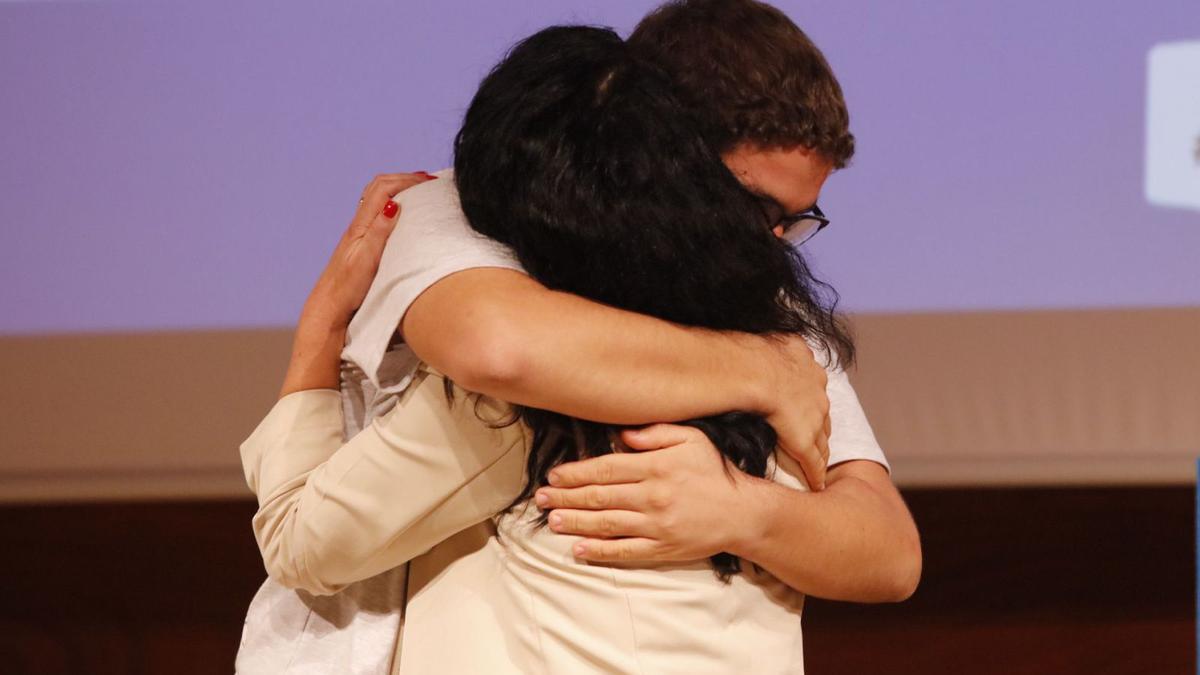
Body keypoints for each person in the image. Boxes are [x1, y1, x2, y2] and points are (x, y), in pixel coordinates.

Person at [237, 1, 920, 672]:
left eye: (797, 220)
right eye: (758, 206)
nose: (771, 243)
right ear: (666, 149)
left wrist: (324, 320)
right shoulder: (476, 251)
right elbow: (497, 343)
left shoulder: (516, 403)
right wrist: (762, 374)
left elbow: (890, 550)